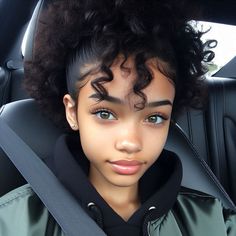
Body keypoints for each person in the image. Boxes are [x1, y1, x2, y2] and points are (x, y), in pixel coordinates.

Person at [0, 0, 236, 235]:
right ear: (72, 112)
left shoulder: (214, 220)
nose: (130, 142)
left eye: (154, 118)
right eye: (105, 113)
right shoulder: (13, 222)